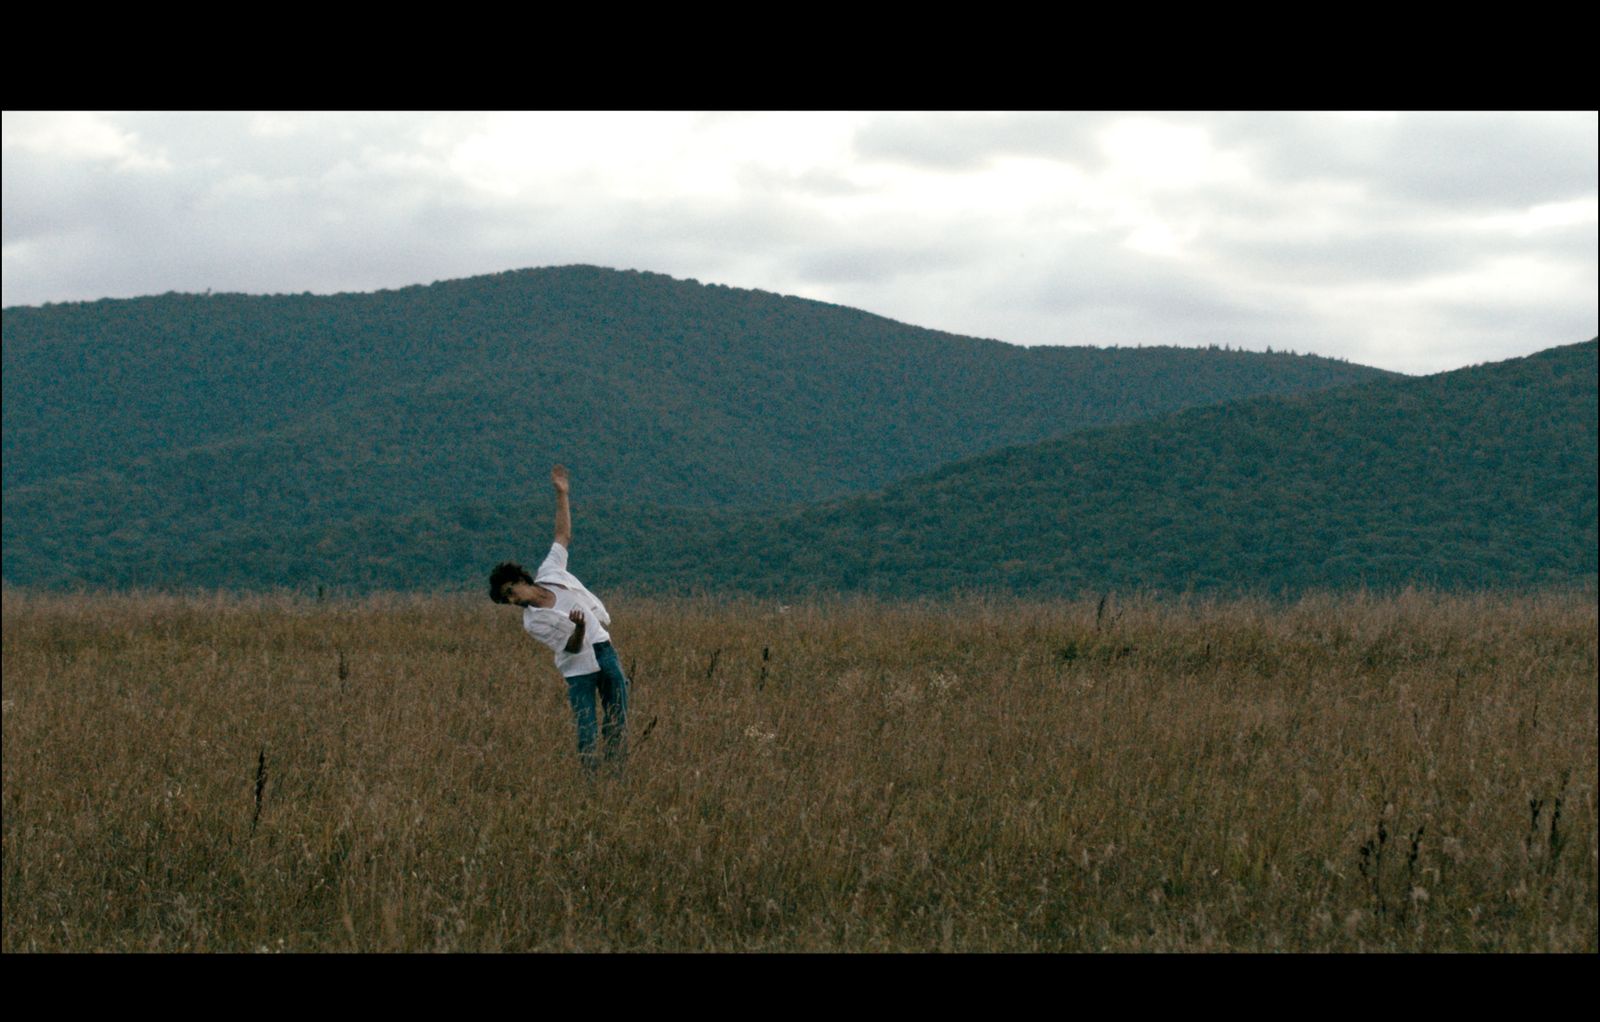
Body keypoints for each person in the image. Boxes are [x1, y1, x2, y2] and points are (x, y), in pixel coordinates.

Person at [490, 464, 628, 773]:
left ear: (522, 579)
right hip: (578, 669)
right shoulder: (533, 621)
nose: (514, 600)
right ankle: (591, 781)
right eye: (508, 599)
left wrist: (561, 493)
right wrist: (578, 628)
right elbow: (571, 647)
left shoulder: (551, 573)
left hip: (604, 650)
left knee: (617, 718)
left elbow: (562, 536)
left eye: (512, 591)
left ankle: (616, 777)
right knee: (587, 730)